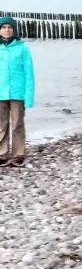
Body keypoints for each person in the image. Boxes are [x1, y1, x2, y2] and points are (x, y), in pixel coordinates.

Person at [0, 16, 34, 167]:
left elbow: (29, 74)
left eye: (9, 27)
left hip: (18, 93)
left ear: (14, 30)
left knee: (17, 124)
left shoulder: (22, 49)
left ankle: (18, 154)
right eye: (3, 27)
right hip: (1, 92)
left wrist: (29, 96)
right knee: (1, 124)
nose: (7, 30)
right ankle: (2, 153)